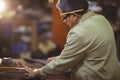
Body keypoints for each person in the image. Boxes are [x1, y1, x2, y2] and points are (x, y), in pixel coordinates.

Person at [25, 0, 120, 80]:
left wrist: (37, 72)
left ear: (74, 15)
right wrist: (60, 58)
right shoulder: (101, 19)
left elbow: (63, 64)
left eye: (63, 18)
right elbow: (87, 50)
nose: (64, 21)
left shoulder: (79, 32)